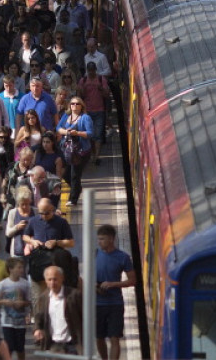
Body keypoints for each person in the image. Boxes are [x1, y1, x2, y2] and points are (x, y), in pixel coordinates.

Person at [95, 225, 136, 360]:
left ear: (111, 239)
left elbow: (132, 280)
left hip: (115, 303)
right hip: (97, 303)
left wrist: (113, 284)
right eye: (98, 239)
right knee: (99, 337)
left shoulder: (123, 257)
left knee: (114, 338)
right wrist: (95, 286)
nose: (99, 242)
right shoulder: (94, 254)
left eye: (102, 239)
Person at [33, 266, 83, 354]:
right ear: (45, 280)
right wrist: (37, 329)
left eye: (55, 279)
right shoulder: (44, 298)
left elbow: (85, 316)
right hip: (53, 345)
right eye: (49, 279)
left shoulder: (74, 295)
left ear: (62, 278)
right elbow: (39, 316)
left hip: (73, 345)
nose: (52, 283)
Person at [56, 96, 94, 206]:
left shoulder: (85, 118)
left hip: (80, 151)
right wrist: (66, 132)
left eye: (77, 104)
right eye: (72, 103)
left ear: (82, 106)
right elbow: (58, 127)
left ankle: (73, 199)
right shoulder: (66, 116)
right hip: (67, 150)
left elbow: (90, 133)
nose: (74, 106)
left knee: (74, 175)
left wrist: (77, 133)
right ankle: (77, 188)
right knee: (65, 174)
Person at [0, 258, 30, 360]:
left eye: (22, 267)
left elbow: (29, 301)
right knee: (9, 347)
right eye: (19, 267)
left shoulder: (25, 283)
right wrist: (5, 302)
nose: (21, 270)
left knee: (20, 347)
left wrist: (23, 304)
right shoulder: (3, 284)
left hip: (20, 321)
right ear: (10, 269)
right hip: (7, 322)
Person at [78, 62, 110, 166]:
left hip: (99, 110)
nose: (91, 72)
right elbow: (79, 95)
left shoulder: (101, 80)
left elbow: (107, 94)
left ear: (95, 69)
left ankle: (96, 156)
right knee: (90, 135)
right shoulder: (83, 81)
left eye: (93, 70)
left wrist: (101, 89)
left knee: (98, 134)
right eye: (89, 70)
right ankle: (92, 154)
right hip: (87, 111)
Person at [5, 187, 35, 258]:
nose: (25, 207)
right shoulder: (13, 213)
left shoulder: (35, 212)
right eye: (22, 204)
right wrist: (17, 227)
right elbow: (8, 233)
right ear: (18, 203)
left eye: (27, 204)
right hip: (17, 250)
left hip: (33, 250)